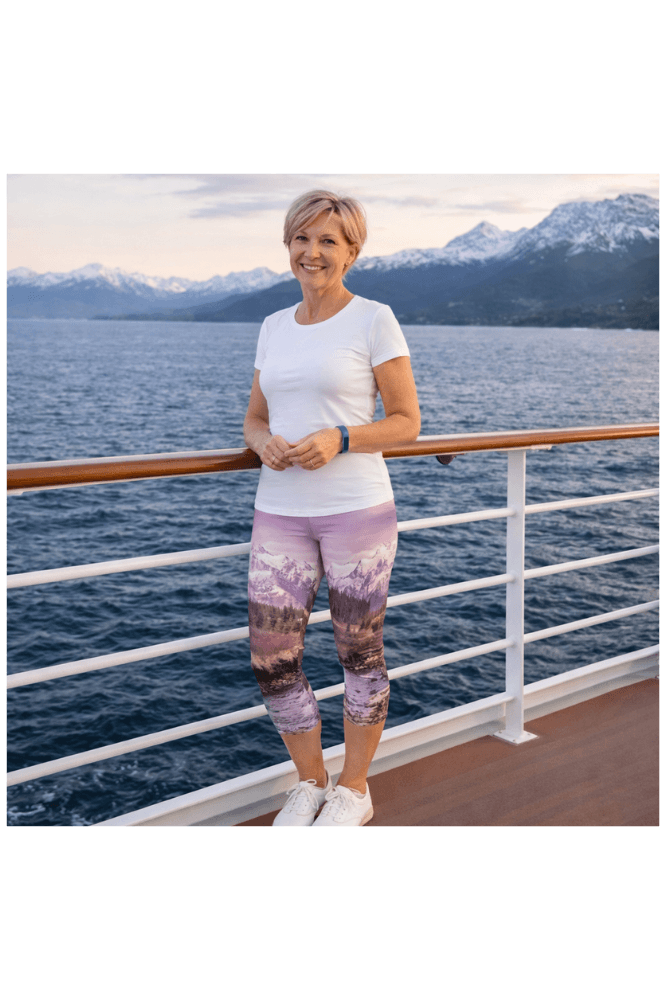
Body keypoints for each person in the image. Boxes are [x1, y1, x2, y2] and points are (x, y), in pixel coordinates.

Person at [244, 190, 421, 827]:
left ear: (351, 252)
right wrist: (262, 442)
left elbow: (407, 423)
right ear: (287, 244)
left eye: (328, 241)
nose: (312, 252)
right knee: (272, 657)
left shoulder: (374, 318)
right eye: (302, 239)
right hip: (280, 510)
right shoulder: (272, 326)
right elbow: (256, 415)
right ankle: (309, 782)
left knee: (359, 654)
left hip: (356, 508)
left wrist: (340, 437)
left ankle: (353, 789)